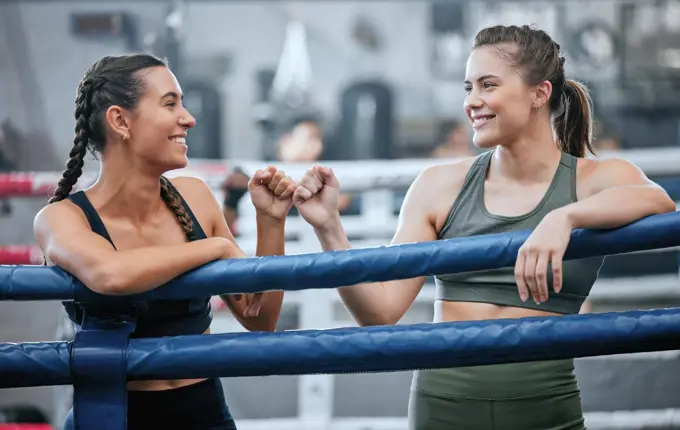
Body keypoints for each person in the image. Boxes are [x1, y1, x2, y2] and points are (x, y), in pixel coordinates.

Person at [292, 25, 676, 430]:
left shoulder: (593, 180)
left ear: (539, 94)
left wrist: (564, 217)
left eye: (488, 85)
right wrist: (329, 227)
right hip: (443, 409)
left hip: (547, 410)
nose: (472, 102)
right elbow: (380, 313)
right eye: (468, 88)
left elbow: (658, 201)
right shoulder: (439, 186)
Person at [33, 54, 296, 430]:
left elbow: (261, 317)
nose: (188, 118)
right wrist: (217, 248)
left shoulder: (195, 198)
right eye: (170, 103)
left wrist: (271, 222)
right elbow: (111, 274)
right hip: (112, 418)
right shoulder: (62, 218)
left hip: (206, 414)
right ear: (121, 121)